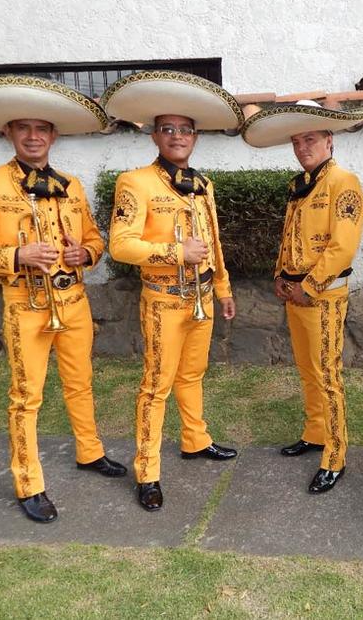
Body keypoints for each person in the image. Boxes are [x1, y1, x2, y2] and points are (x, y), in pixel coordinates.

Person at [0, 75, 127, 523]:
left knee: (81, 382)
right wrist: (16, 254)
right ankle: (29, 482)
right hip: (25, 303)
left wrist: (82, 252)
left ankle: (89, 451)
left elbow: (95, 242)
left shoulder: (73, 184)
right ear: (9, 133)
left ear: (53, 135)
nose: (32, 136)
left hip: (73, 300)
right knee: (26, 396)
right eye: (22, 128)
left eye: (41, 128)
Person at [102, 71, 244, 512]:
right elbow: (120, 245)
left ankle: (195, 440)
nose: (178, 137)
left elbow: (213, 239)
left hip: (201, 296)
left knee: (193, 376)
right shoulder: (135, 181)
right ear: (154, 135)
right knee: (155, 385)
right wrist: (174, 251)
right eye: (169, 129)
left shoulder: (203, 184)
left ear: (194, 137)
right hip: (163, 299)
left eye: (185, 130)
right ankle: (147, 470)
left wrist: (222, 287)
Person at [241, 100, 363, 493]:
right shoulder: (301, 185)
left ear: (329, 141)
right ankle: (315, 432)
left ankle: (335, 453)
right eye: (296, 142)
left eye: (310, 139)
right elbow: (290, 237)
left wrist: (308, 287)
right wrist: (280, 276)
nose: (302, 148)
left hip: (323, 294)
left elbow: (342, 247)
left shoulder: (343, 182)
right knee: (308, 369)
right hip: (296, 291)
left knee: (328, 373)